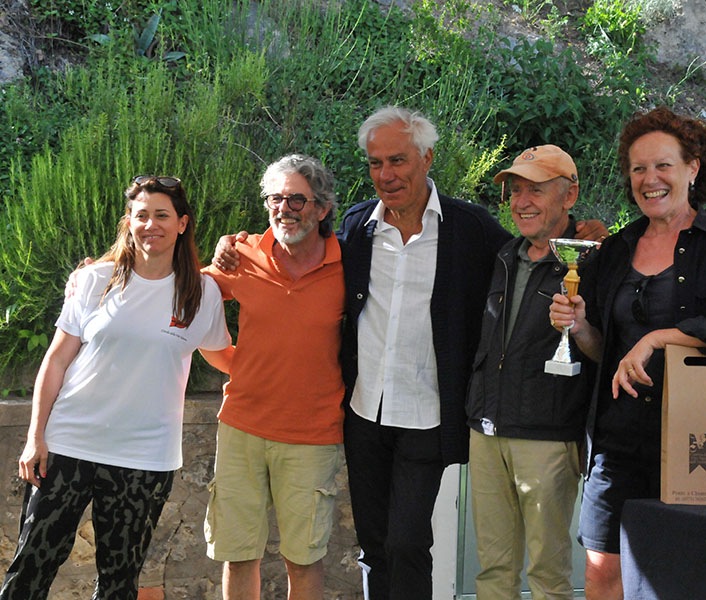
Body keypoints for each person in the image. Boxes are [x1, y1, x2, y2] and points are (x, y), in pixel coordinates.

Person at [212, 107, 606, 599]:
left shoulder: (469, 227)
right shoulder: (357, 226)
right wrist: (234, 242)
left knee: (407, 542)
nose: (386, 174)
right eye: (375, 163)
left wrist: (579, 236)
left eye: (397, 160)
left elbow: (531, 249)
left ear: (427, 159)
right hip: (364, 413)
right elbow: (299, 241)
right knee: (374, 545)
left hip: (427, 415)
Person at [549, 107, 706, 600]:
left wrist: (659, 337)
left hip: (700, 438)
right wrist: (579, 326)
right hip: (617, 442)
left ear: (693, 168)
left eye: (663, 165)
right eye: (638, 168)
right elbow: (603, 350)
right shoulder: (615, 250)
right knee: (603, 574)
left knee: (689, 577)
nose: (650, 179)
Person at [0, 176, 232, 600]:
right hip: (68, 447)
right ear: (129, 221)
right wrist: (35, 438)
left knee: (119, 583)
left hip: (144, 459)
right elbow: (56, 360)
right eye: (141, 215)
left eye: (162, 215)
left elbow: (224, 357)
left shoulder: (202, 294)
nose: (150, 225)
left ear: (182, 223)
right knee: (29, 569)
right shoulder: (94, 280)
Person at [203, 154, 345, 600]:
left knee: (303, 559)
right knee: (238, 555)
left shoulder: (349, 266)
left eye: (296, 200)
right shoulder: (242, 254)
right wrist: (98, 273)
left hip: (313, 436)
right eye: (275, 199)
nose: (284, 209)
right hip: (241, 428)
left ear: (322, 207)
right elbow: (191, 300)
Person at [466, 145, 603, 599]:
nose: (521, 202)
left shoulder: (594, 260)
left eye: (536, 190)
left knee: (548, 574)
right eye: (515, 190)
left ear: (569, 196)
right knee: (493, 570)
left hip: (548, 436)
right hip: (487, 430)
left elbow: (606, 351)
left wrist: (580, 327)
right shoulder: (505, 254)